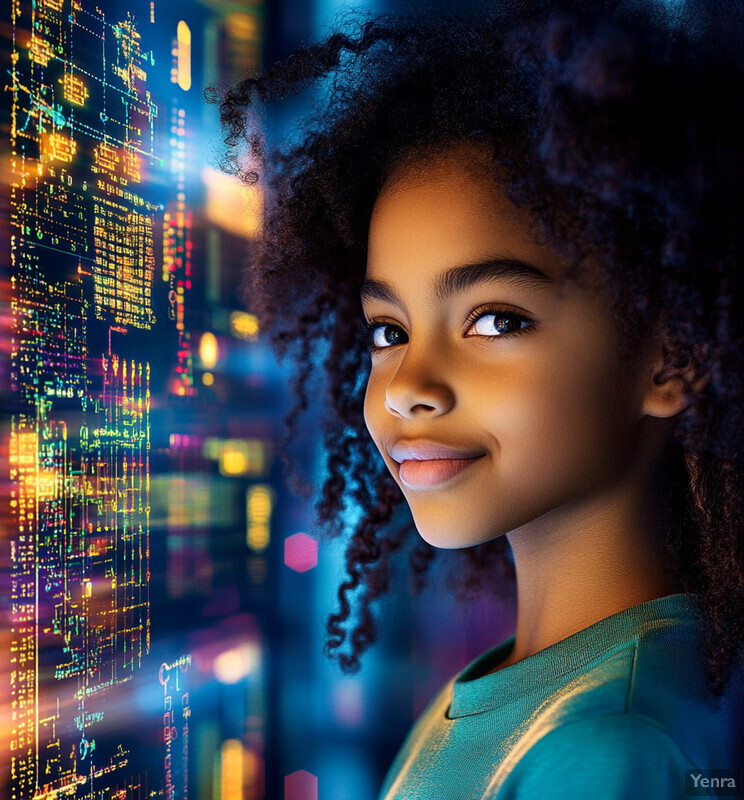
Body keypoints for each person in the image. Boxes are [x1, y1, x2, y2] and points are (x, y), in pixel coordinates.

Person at [209, 0, 744, 796]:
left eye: (494, 319)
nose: (410, 387)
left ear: (673, 358)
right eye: (388, 330)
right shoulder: (528, 688)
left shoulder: (603, 750)